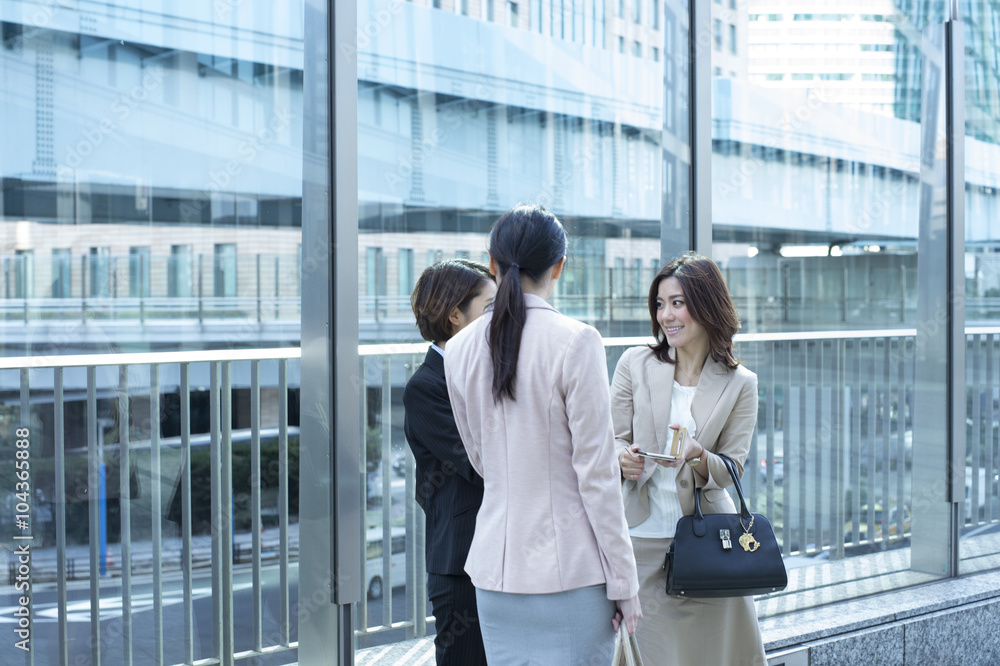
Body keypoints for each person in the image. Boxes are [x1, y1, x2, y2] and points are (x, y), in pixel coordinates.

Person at [444, 204, 641, 664]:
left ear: (493, 265)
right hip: (570, 575)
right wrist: (625, 582)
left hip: (494, 575)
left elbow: (479, 457)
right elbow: (596, 476)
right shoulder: (577, 341)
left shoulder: (458, 350)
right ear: (559, 267)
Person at [612, 251, 766, 665]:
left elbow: (731, 470)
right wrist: (623, 459)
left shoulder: (740, 383)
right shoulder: (635, 363)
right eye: (660, 305)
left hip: (709, 547)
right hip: (642, 541)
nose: (666, 315)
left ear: (707, 304)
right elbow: (609, 441)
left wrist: (697, 455)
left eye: (677, 302)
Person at [403, 259, 496, 665]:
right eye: (490, 308)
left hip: (500, 553)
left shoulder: (488, 370)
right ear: (455, 315)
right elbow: (482, 465)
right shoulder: (425, 387)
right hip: (461, 565)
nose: (502, 317)